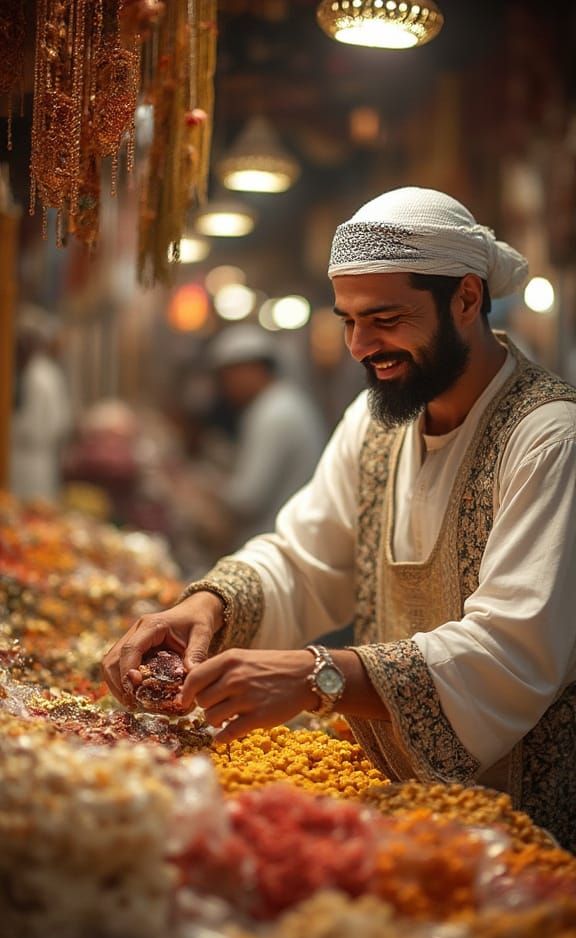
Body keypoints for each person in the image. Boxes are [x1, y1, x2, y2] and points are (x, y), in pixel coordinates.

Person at [103, 187, 576, 851]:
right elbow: (305, 556)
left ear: (467, 299)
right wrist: (208, 606)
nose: (359, 345)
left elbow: (511, 652)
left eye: (384, 318)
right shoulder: (375, 422)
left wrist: (315, 676)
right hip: (401, 813)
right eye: (349, 320)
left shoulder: (550, 438)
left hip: (523, 837)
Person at [188, 324, 326, 549]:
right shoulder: (282, 402)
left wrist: (204, 484)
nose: (225, 387)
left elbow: (246, 499)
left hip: (276, 542)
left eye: (228, 377)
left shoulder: (274, 413)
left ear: (251, 369)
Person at [10, 305, 72, 502]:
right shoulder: (16, 372)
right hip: (17, 456)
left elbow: (59, 421)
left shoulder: (44, 376)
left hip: (37, 457)